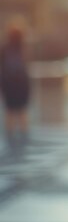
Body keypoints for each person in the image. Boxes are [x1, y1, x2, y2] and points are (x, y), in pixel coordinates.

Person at [0, 20, 31, 152]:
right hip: (21, 83)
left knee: (10, 112)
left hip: (9, 84)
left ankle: (10, 138)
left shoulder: (4, 48)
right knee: (22, 112)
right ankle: (23, 138)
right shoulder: (23, 48)